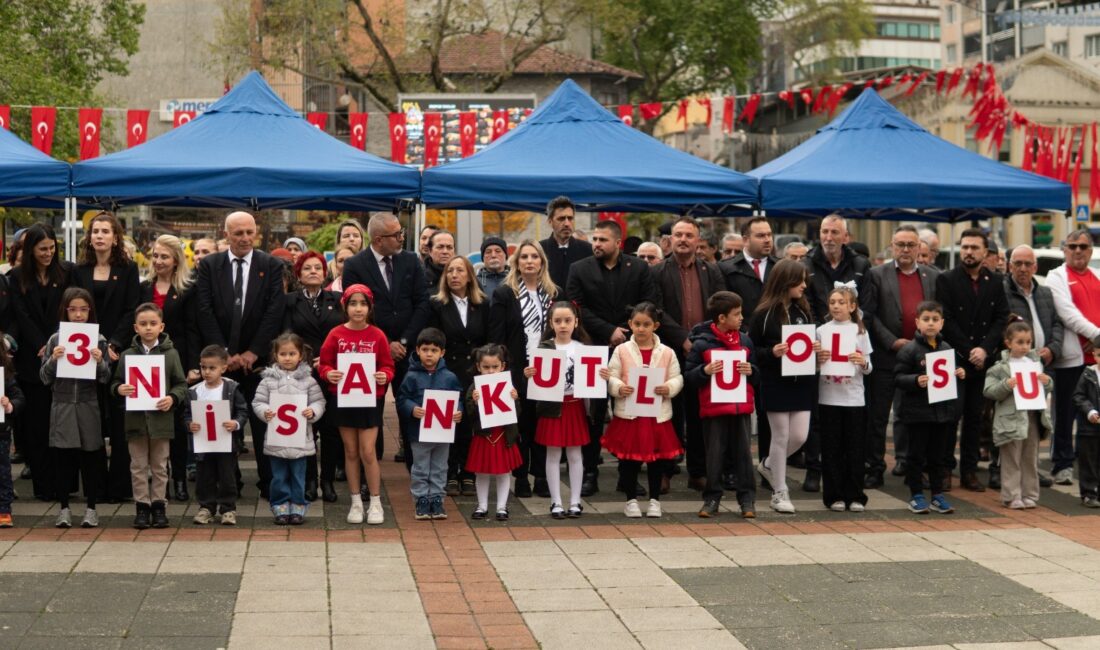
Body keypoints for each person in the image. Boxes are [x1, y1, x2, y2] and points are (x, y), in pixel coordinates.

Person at [194, 212, 287, 499]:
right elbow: (204, 310)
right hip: (221, 363)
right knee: (222, 422)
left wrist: (253, 351)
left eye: (250, 232)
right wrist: (225, 354)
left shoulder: (270, 265)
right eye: (238, 233)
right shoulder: (210, 265)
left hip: (257, 363)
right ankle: (227, 483)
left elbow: (275, 310)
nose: (245, 238)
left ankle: (268, 483)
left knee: (261, 422)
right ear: (227, 234)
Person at [568, 219, 658, 497]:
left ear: (618, 243)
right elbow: (576, 307)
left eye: (602, 240)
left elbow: (649, 303)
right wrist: (608, 330)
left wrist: (627, 329)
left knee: (630, 412)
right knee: (593, 415)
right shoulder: (579, 269)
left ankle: (627, 474)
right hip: (592, 350)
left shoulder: (639, 268)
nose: (596, 244)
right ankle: (590, 472)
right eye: (594, 239)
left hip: (631, 349)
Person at [342, 213, 431, 465]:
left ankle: (416, 467)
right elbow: (355, 309)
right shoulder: (355, 265)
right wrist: (385, 343)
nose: (402, 238)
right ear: (379, 239)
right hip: (371, 352)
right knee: (371, 412)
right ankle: (371, 466)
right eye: (397, 234)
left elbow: (422, 303)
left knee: (411, 407)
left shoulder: (411, 261)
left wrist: (402, 342)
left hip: (407, 350)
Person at [799, 214, 873, 493]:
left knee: (850, 429)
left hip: (850, 347)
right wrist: (824, 333)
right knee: (820, 419)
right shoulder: (807, 264)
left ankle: (851, 481)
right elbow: (805, 304)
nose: (828, 237)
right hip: (821, 342)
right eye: (824, 232)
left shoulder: (860, 265)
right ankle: (815, 470)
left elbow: (867, 305)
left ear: (846, 236)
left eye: (834, 232)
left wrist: (849, 331)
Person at [864, 225, 940, 488]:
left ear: (919, 247)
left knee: (918, 417)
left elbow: (939, 315)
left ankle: (914, 467)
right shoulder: (876, 275)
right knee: (878, 416)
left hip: (921, 359)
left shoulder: (933, 276)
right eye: (900, 244)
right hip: (887, 355)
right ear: (892, 246)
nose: (905, 249)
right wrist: (892, 342)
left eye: (911, 244)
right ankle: (874, 467)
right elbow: (870, 316)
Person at [653, 217, 725, 490]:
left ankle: (698, 471)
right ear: (670, 239)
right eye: (678, 235)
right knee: (668, 412)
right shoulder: (657, 272)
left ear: (698, 240)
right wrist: (682, 338)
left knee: (699, 413)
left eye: (688, 235)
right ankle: (665, 470)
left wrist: (702, 340)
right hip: (669, 351)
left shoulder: (711, 271)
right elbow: (656, 309)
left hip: (703, 352)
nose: (683, 240)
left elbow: (718, 307)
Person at [936, 228, 1008, 492]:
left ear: (985, 252)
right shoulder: (947, 280)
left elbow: (1001, 318)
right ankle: (944, 470)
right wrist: (970, 351)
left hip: (983, 362)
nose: (968, 252)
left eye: (974, 248)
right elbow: (947, 320)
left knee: (975, 419)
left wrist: (985, 350)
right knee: (950, 417)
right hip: (955, 361)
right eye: (965, 247)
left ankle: (969, 471)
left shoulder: (996, 281)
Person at [488, 240, 559, 498]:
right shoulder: (505, 293)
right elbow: (497, 336)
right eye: (524, 257)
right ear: (516, 262)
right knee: (519, 425)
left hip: (547, 370)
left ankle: (540, 475)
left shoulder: (553, 294)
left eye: (534, 257)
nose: (529, 261)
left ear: (542, 262)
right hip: (517, 370)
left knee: (542, 425)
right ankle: (520, 476)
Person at [320, 284, 395, 525]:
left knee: (368, 451)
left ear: (370, 308)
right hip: (343, 399)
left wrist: (385, 376)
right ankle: (354, 502)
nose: (358, 309)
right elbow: (324, 363)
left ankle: (375, 501)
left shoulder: (377, 335)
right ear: (345, 306)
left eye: (363, 304)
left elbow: (387, 365)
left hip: (369, 400)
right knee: (350, 452)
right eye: (353, 304)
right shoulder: (335, 334)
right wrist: (328, 373)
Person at [11, 224, 75, 501]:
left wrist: (55, 343)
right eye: (42, 249)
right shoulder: (16, 277)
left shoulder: (67, 272)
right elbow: (20, 314)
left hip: (65, 354)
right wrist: (41, 344)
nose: (48, 253)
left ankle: (66, 484)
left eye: (52, 248)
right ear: (31, 251)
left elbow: (73, 308)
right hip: (33, 359)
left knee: (63, 423)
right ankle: (43, 485)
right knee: (38, 425)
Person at [601, 302, 683, 518]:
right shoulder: (621, 350)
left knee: (656, 461)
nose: (641, 329)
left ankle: (655, 499)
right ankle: (631, 500)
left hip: (657, 415)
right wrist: (619, 387)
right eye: (637, 324)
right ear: (630, 324)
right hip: (630, 414)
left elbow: (677, 377)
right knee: (630, 461)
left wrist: (669, 387)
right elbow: (611, 375)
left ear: (655, 326)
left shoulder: (667, 352)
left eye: (646, 324)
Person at [749, 259, 818, 514]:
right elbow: (751, 349)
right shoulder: (763, 314)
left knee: (799, 436)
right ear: (785, 281)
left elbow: (806, 343)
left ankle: (768, 463)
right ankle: (780, 491)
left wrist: (815, 349)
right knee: (780, 436)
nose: (803, 285)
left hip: (802, 382)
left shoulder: (803, 311)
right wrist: (771, 352)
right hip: (774, 381)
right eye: (799, 280)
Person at [112, 303, 188, 529]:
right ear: (135, 328)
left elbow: (181, 384)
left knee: (160, 465)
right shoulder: (127, 356)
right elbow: (115, 382)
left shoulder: (171, 354)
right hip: (135, 420)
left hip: (161, 421)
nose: (148, 328)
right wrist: (119, 389)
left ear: (161, 326)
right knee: (137, 465)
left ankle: (159, 506)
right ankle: (142, 507)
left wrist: (172, 398)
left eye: (153, 324)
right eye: (143, 324)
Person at [40, 287, 111, 528]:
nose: (78, 315)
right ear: (65, 311)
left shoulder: (99, 339)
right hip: (61, 403)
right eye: (73, 310)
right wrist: (52, 360)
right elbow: (43, 377)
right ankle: (64, 508)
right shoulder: (55, 339)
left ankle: (91, 508)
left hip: (88, 402)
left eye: (83, 309)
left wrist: (100, 361)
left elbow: (105, 377)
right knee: (62, 457)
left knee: (90, 455)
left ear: (90, 311)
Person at [685, 291, 757, 518]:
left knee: (744, 456)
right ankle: (712, 498)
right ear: (721, 318)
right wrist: (704, 371)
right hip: (714, 409)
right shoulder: (702, 344)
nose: (741, 317)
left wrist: (751, 371)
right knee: (714, 456)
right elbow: (689, 377)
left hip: (740, 407)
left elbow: (757, 374)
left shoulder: (745, 341)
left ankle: (747, 500)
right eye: (736, 314)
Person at [141, 234, 200, 503]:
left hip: (176, 362)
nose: (159, 261)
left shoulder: (188, 288)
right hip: (147, 365)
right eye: (155, 255)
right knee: (153, 425)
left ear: (176, 260)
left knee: (176, 426)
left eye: (164, 256)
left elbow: (192, 329)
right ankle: (157, 480)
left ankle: (178, 480)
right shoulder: (144, 287)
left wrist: (191, 367)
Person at [283, 251, 345, 503]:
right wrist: (304, 359)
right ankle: (309, 481)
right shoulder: (289, 301)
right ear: (298, 274)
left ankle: (327, 480)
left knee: (330, 429)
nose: (313, 272)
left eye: (317, 268)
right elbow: (286, 335)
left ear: (324, 272)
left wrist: (330, 360)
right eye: (307, 268)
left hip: (332, 373)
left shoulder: (339, 299)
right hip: (302, 373)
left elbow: (344, 334)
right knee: (305, 428)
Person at [999, 244, 1062, 489]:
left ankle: (1031, 472)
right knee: (1011, 422)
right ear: (1009, 265)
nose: (1023, 268)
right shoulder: (1002, 291)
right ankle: (1002, 472)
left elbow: (1056, 324)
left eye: (1027, 264)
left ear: (1035, 267)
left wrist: (1052, 349)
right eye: (1018, 263)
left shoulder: (1045, 292)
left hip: (1041, 365)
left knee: (1036, 422)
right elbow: (999, 326)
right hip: (1014, 367)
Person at [895, 300, 965, 515]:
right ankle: (916, 495)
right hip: (917, 414)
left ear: (942, 323)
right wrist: (915, 380)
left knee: (938, 457)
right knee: (916, 456)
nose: (931, 324)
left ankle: (937, 495)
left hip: (941, 414)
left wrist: (959, 374)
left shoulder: (946, 349)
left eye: (935, 320)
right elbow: (897, 377)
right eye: (926, 319)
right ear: (917, 322)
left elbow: (948, 376)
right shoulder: (910, 350)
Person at [720, 217, 778, 469]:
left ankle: (767, 464)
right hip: (736, 347)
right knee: (735, 412)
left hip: (772, 351)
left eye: (769, 234)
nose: (767, 239)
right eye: (760, 235)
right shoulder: (727, 268)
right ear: (746, 239)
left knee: (769, 412)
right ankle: (733, 467)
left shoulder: (780, 267)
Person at [429, 256, 489, 497]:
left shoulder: (483, 304)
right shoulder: (437, 304)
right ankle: (451, 473)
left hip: (475, 373)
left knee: (471, 424)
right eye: (450, 271)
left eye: (459, 270)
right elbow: (433, 338)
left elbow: (487, 340)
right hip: (447, 372)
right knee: (451, 423)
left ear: (469, 276)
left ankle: (469, 473)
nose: (454, 275)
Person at [526, 301, 591, 519]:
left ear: (576, 322)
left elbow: (591, 380)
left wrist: (602, 376)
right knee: (552, 453)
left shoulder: (582, 349)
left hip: (574, 405)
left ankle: (575, 501)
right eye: (558, 321)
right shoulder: (544, 348)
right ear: (551, 323)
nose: (563, 325)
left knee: (574, 453)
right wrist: (529, 374)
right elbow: (536, 378)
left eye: (567, 320)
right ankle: (555, 501)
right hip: (552, 406)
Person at [254, 332, 326, 525]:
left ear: (300, 355)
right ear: (275, 356)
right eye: (283, 354)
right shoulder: (267, 381)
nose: (287, 358)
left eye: (292, 354)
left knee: (298, 475)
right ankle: (279, 505)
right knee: (278, 476)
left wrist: (313, 411)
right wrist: (265, 411)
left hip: (300, 441)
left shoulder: (309, 380)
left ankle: (298, 505)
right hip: (277, 440)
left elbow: (319, 401)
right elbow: (258, 402)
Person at [1048, 229, 1100, 486]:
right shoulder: (1056, 276)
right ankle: (1062, 463)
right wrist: (1096, 334)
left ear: (1090, 251)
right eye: (1072, 246)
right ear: (1064, 249)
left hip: (1096, 360)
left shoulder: (1097, 276)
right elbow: (1067, 313)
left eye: (1083, 246)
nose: (1077, 250)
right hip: (1072, 357)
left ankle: (1089, 464)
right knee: (1065, 412)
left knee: (1092, 414)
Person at [983, 320, 1052, 509]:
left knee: (1030, 457)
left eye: (1028, 342)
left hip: (1032, 416)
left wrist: (1047, 382)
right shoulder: (1000, 367)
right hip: (1010, 418)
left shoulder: (1035, 363)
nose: (1024, 346)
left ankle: (1030, 494)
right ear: (1008, 343)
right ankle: (1011, 495)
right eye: (1020, 342)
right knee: (1011, 457)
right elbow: (988, 390)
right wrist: (1006, 385)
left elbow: (1044, 387)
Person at [397, 327, 463, 520]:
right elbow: (402, 398)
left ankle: (437, 499)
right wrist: (411, 409)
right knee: (420, 467)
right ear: (417, 350)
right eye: (425, 349)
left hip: (442, 433)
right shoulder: (411, 376)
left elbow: (458, 396)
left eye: (434, 350)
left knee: (440, 467)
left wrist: (459, 411)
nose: (429, 354)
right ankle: (421, 500)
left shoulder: (449, 377)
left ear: (442, 353)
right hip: (419, 433)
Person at [816, 286, 872, 512]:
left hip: (854, 399)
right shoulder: (821, 330)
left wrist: (861, 362)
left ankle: (856, 495)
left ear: (852, 306)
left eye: (841, 302)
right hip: (828, 397)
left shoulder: (860, 332)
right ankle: (834, 495)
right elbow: (815, 364)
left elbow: (869, 367)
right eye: (832, 302)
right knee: (831, 449)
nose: (836, 306)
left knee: (855, 449)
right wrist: (818, 359)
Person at [185, 345, 249, 525]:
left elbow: (242, 411)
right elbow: (187, 414)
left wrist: (235, 423)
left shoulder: (231, 388)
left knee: (227, 476)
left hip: (226, 442)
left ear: (223, 368)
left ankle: (228, 508)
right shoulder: (194, 391)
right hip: (203, 443)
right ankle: (206, 507)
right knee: (205, 476)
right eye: (203, 367)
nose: (206, 372)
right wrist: (190, 424)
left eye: (212, 368)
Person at [465, 344, 523, 521]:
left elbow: (517, 414)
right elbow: (469, 414)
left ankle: (501, 507)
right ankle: (482, 506)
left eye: (495, 367)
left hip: (503, 436)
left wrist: (515, 400)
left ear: (502, 366)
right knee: (481, 472)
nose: (491, 371)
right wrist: (474, 403)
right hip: (484, 436)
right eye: (486, 367)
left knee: (503, 472)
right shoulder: (474, 387)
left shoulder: (508, 386)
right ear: (478, 367)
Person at [539, 195, 592, 292]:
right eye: (561, 219)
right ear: (550, 222)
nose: (567, 223)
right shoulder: (539, 250)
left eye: (570, 218)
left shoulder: (588, 250)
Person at [0, 340, 25, 528]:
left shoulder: (5, 375)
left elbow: (19, 398)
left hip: (1, 431)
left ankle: (4, 509)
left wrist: (9, 405)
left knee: (2, 471)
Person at [1075, 354, 1100, 506]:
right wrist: (1090, 411)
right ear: (1094, 355)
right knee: (1088, 461)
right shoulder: (1087, 374)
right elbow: (1078, 396)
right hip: (1089, 428)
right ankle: (1088, 493)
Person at [476, 237, 509, 301]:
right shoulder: (475, 283)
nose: (493, 255)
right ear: (483, 258)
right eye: (488, 252)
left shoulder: (516, 280)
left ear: (505, 255)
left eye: (498, 251)